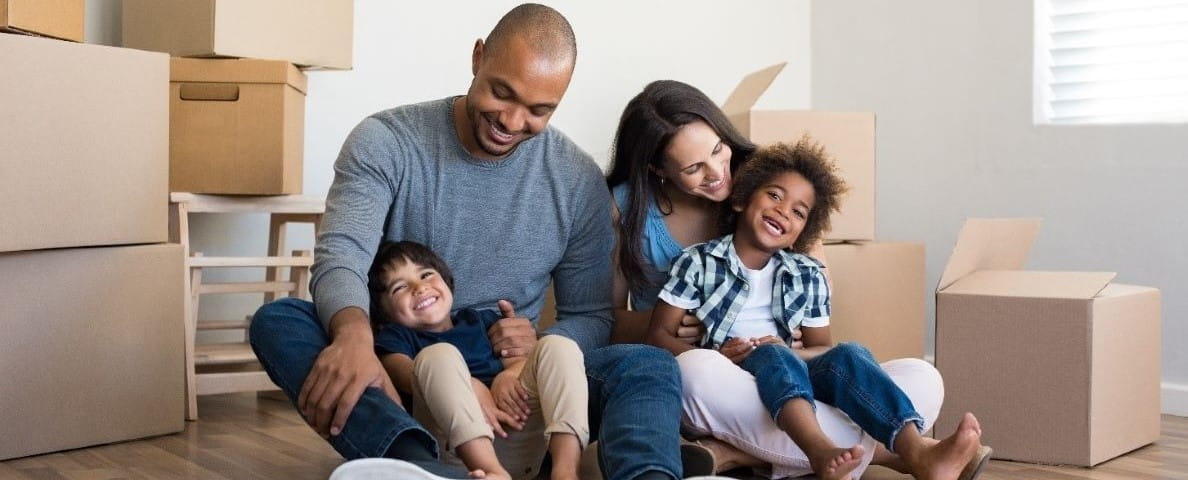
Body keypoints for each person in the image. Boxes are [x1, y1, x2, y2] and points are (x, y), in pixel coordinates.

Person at [250, 5, 691, 480]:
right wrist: (353, 336)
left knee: (647, 364)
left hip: (520, 395)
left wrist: (535, 349)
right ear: (478, 57)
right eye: (502, 92)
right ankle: (415, 459)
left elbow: (590, 315)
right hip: (407, 377)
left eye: (539, 110)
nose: (512, 121)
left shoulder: (578, 180)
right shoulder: (386, 141)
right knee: (281, 321)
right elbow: (342, 256)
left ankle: (643, 475)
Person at [606, 80, 990, 479]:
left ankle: (736, 454)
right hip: (716, 376)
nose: (719, 172)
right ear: (658, 169)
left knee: (921, 377)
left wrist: (798, 345)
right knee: (696, 371)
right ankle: (891, 454)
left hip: (792, 373)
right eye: (693, 168)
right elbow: (613, 322)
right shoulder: (661, 234)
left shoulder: (772, 185)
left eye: (718, 150)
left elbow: (818, 333)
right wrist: (691, 328)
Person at [367, 241, 588, 480]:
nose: (419, 287)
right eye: (399, 287)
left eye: (426, 275)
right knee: (437, 355)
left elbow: (518, 359)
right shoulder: (396, 338)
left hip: (516, 429)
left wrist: (509, 374)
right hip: (459, 450)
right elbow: (404, 373)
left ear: (447, 281)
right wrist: (469, 385)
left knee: (558, 345)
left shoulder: (478, 320)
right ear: (383, 312)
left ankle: (566, 470)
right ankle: (493, 472)